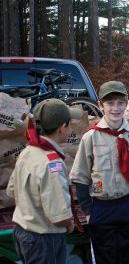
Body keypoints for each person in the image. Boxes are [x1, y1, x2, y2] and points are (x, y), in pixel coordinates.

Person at [69, 81, 129, 264]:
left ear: (126, 104)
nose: (115, 108)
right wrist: (89, 210)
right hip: (102, 207)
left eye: (120, 103)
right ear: (101, 105)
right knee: (105, 257)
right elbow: (80, 176)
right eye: (110, 103)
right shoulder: (90, 137)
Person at [7, 99, 80, 264]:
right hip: (45, 240)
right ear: (62, 128)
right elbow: (58, 215)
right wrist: (69, 225)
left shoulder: (28, 151)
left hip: (21, 230)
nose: (71, 128)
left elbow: (12, 190)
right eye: (70, 124)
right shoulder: (52, 162)